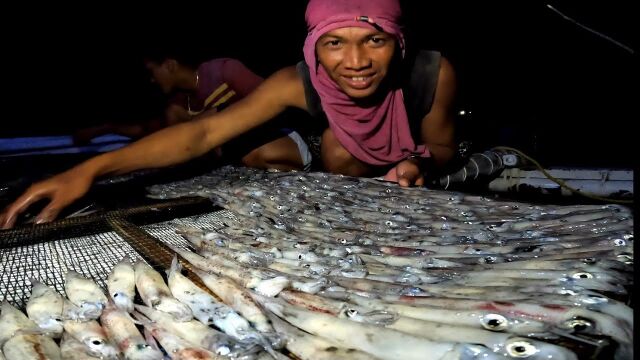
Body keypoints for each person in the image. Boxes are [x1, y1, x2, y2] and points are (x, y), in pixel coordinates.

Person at [0, 0, 457, 229]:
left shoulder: (430, 72)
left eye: (373, 41)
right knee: (320, 149)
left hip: (397, 159)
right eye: (334, 43)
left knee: (338, 151)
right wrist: (90, 169)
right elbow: (201, 135)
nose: (356, 62)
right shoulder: (295, 81)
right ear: (314, 47)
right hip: (337, 152)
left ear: (396, 43)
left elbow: (441, 146)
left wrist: (420, 162)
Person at [72, 50, 313, 171]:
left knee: (254, 151)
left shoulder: (224, 71)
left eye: (152, 72)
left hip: (279, 142)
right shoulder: (178, 104)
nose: (152, 81)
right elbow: (151, 132)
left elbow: (278, 104)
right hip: (238, 162)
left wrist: (220, 112)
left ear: (169, 65)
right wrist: (105, 129)